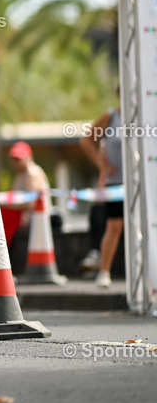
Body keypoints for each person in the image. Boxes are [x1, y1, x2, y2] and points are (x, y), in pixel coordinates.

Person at [81, 106, 123, 288]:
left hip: (143, 183)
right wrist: (103, 167)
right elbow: (87, 141)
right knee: (113, 224)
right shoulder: (111, 116)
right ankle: (104, 271)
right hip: (116, 183)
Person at [7, 141, 51, 250]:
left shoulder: (32, 173)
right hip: (25, 217)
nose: (15, 162)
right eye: (14, 159)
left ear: (28, 157)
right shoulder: (21, 174)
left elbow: (33, 203)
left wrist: (7, 206)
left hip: (34, 218)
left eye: (18, 158)